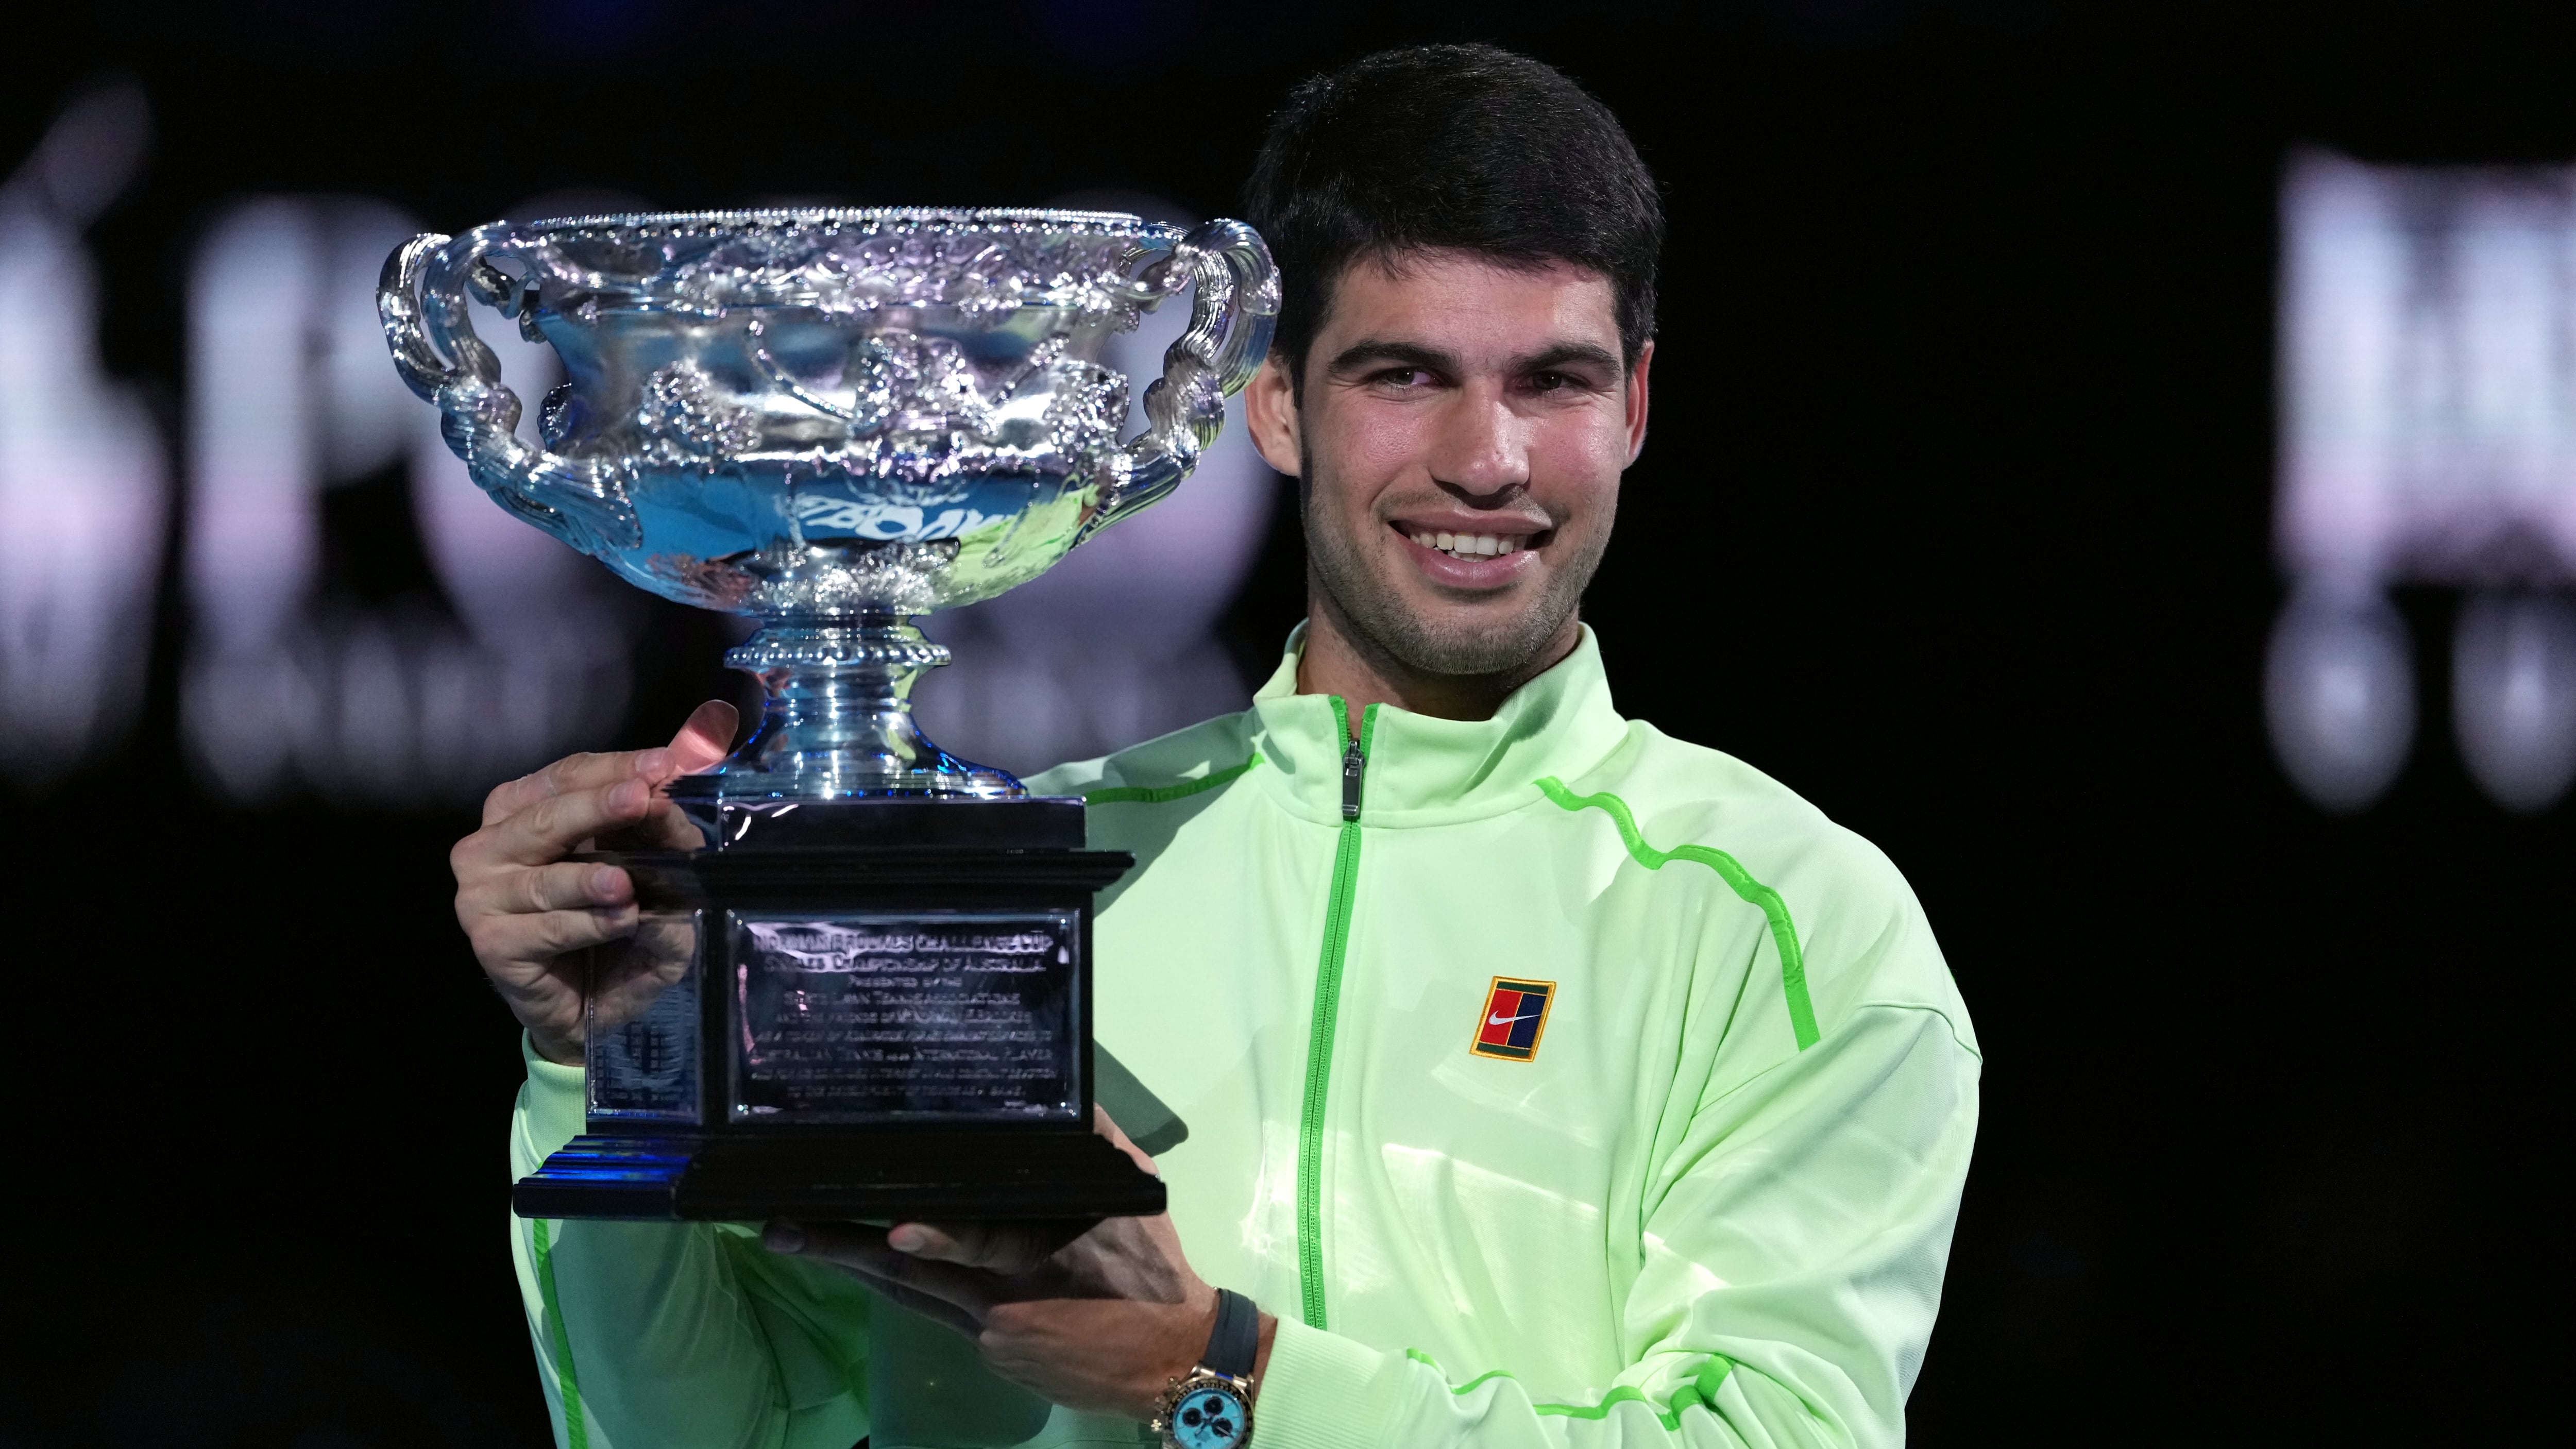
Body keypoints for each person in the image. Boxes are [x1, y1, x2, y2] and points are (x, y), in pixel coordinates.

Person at [451, 43, 1980, 1449]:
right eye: (1406, 375)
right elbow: (723, 1428)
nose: (1488, 459)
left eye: (1555, 380)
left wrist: (1221, 1372)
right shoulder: (1007, 887)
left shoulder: (1787, 922)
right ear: (1274, 407)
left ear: (1636, 406)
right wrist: (601, 1059)